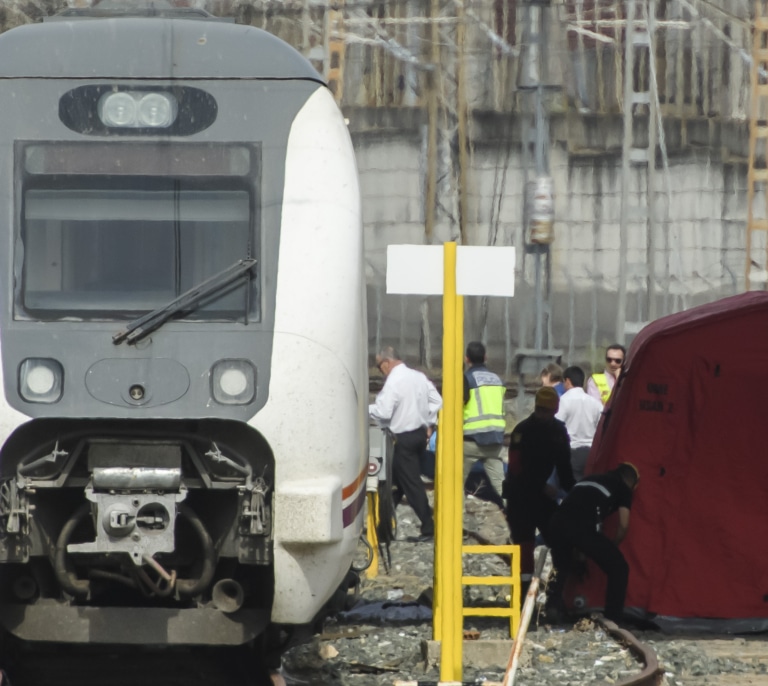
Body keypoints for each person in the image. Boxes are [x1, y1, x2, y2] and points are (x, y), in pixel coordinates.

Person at [547, 462, 640, 624]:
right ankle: (613, 618)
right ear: (632, 482)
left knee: (561, 565)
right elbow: (623, 525)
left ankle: (552, 607)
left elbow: (578, 509)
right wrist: (613, 546)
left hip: (557, 522)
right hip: (582, 526)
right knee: (619, 567)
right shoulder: (623, 487)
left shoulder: (589, 479)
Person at [503, 386, 575, 587]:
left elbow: (564, 465)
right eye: (540, 410)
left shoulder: (558, 431)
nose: (543, 415)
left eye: (547, 411)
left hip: (546, 499)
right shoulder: (523, 431)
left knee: (560, 540)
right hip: (522, 497)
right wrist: (542, 486)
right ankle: (523, 592)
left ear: (554, 411)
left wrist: (573, 491)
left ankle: (559, 587)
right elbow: (516, 467)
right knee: (524, 544)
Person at [369, 346, 442, 542]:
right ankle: (382, 527)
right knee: (395, 483)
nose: (380, 371)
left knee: (410, 484)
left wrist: (363, 410)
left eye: (379, 367)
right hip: (418, 435)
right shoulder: (418, 377)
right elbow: (437, 401)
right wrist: (428, 421)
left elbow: (383, 412)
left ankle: (429, 527)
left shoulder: (394, 381)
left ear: (386, 363)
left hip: (401, 439)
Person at [463, 341, 506, 505]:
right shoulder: (497, 379)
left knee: (455, 484)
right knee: (502, 487)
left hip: (470, 443)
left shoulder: (467, 379)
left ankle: (458, 524)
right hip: (494, 442)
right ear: (485, 357)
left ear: (467, 359)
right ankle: (521, 522)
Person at [556, 366, 604, 481]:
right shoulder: (595, 403)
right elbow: (602, 427)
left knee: (573, 487)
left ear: (567, 381)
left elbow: (556, 425)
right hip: (592, 452)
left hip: (572, 451)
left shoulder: (564, 401)